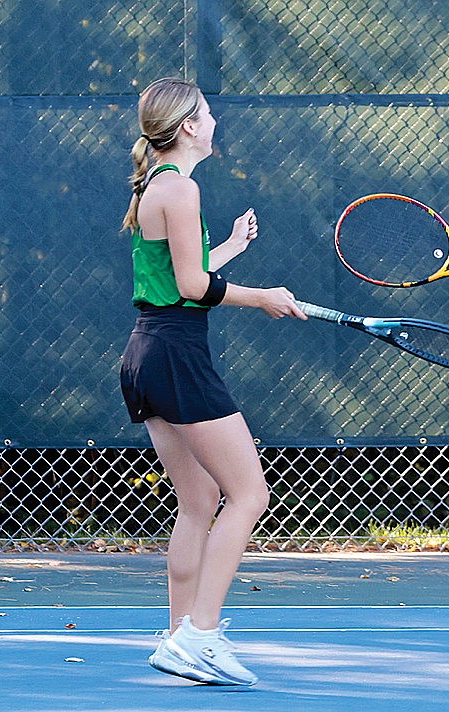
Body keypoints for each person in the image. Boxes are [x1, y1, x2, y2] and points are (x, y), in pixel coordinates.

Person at [119, 77, 306, 685]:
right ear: (189, 126)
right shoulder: (183, 188)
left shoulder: (161, 185)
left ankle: (178, 635)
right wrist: (264, 298)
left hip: (150, 351)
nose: (215, 119)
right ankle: (201, 635)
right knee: (249, 493)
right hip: (174, 355)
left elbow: (182, 279)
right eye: (207, 113)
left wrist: (227, 248)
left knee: (199, 501)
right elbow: (195, 291)